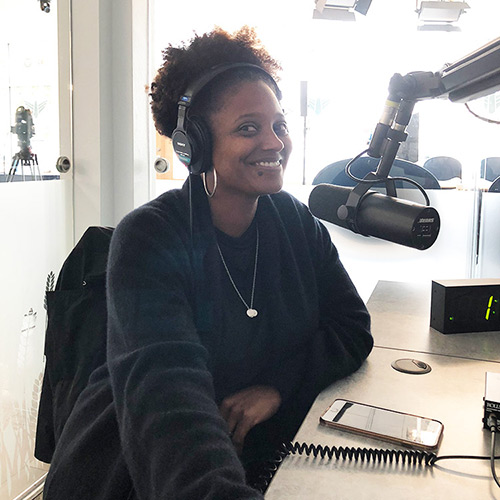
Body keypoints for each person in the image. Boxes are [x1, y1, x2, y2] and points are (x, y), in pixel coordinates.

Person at [43, 26, 373, 499]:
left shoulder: (295, 222)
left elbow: (351, 326)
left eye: (279, 124)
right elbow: (167, 397)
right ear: (192, 145)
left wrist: (276, 388)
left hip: (258, 452)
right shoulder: (150, 238)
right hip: (146, 467)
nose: (275, 142)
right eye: (248, 128)